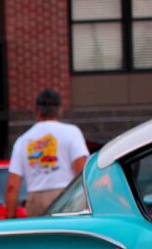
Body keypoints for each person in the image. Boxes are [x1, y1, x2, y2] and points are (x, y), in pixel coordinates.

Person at [5, 89, 89, 218]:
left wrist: (9, 218)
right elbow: (82, 172)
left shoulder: (23, 140)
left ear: (36, 110)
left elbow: (12, 185)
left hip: (34, 200)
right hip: (64, 197)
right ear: (60, 110)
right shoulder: (72, 132)